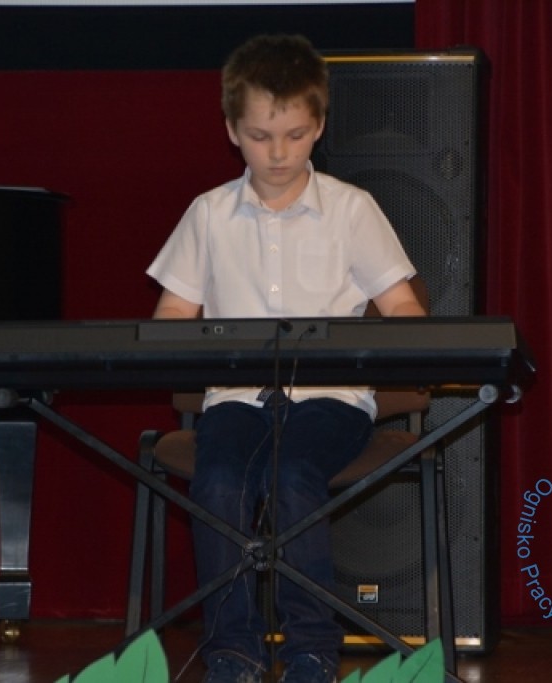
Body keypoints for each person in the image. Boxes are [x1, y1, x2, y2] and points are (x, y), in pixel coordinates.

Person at [146, 33, 426, 683]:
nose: (278, 153)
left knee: (293, 473)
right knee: (219, 481)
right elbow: (172, 314)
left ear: (319, 126)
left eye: (295, 135)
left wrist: (408, 344)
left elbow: (402, 306)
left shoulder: (352, 210)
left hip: (332, 401)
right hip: (236, 400)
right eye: (261, 136)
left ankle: (310, 649)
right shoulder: (208, 214)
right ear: (231, 131)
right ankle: (233, 650)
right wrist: (178, 338)